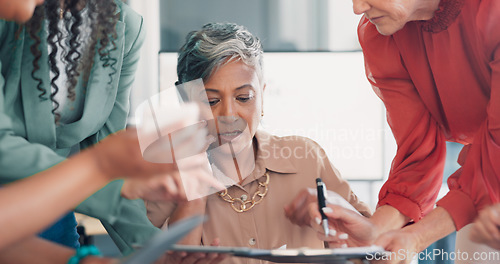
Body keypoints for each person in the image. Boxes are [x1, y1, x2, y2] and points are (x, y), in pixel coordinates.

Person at [145, 22, 372, 264]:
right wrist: (194, 197)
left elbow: (380, 251)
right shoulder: (159, 182)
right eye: (211, 101)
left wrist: (350, 229)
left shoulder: (307, 158)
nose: (229, 115)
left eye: (244, 97)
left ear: (262, 95)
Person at [307, 0, 500, 263]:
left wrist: (417, 236)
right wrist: (373, 232)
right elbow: (419, 152)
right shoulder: (383, 34)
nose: (357, 7)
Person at [0, 0, 170, 254]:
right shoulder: (11, 12)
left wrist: (153, 248)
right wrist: (101, 172)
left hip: (53, 206)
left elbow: (107, 148)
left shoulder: (126, 27)